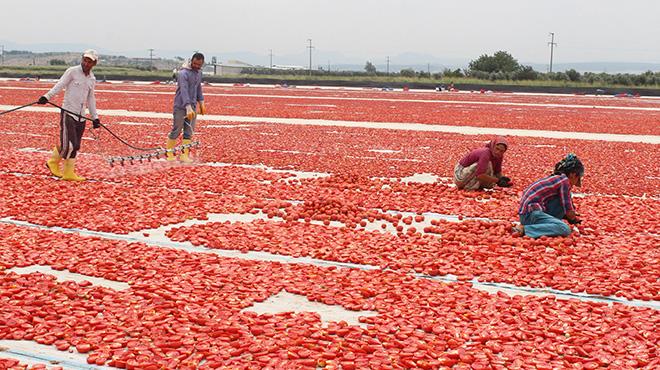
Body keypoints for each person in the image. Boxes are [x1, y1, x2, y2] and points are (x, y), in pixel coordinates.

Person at [38, 49, 101, 181]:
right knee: (69, 145)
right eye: (85, 60)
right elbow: (60, 85)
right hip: (68, 112)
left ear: (94, 64)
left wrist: (95, 117)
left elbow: (91, 98)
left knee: (76, 145)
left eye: (89, 61)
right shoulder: (72, 71)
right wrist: (46, 96)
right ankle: (53, 162)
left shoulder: (92, 79)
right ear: (82, 59)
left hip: (81, 116)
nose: (86, 63)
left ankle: (68, 173)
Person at [514, 154, 584, 238]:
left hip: (527, 214)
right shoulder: (564, 181)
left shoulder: (557, 179)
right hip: (530, 214)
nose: (576, 182)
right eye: (578, 177)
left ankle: (540, 226)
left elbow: (564, 205)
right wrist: (573, 219)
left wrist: (567, 215)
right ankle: (525, 229)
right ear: (573, 174)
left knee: (563, 201)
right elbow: (569, 210)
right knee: (564, 229)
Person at [165, 52, 206, 162]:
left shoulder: (198, 73)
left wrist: (201, 102)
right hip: (180, 106)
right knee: (176, 129)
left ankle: (184, 155)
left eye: (199, 65)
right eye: (195, 64)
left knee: (189, 131)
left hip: (192, 106)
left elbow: (198, 88)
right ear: (191, 61)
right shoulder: (183, 73)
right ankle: (169, 154)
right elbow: (183, 90)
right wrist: (187, 106)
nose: (197, 66)